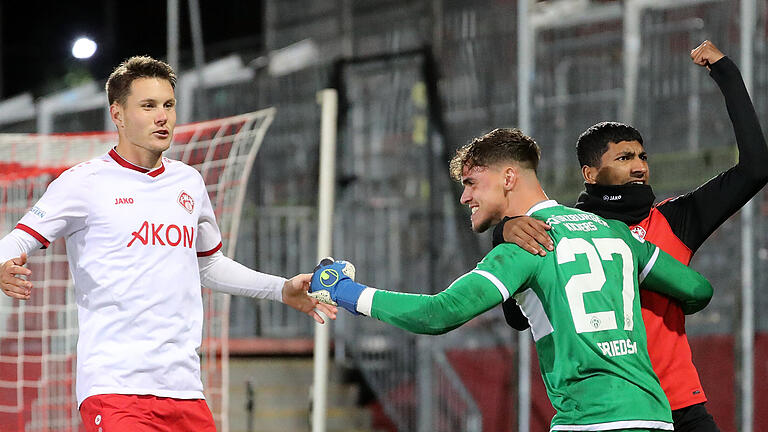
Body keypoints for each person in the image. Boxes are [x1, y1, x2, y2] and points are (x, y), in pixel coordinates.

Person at [0, 56, 336, 432]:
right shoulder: (83, 182)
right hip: (115, 390)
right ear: (118, 114)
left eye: (168, 105)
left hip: (185, 391)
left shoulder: (189, 183)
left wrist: (280, 289)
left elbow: (208, 265)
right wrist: (4, 264)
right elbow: (15, 240)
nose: (163, 116)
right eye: (148, 106)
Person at [309, 127, 714, 431]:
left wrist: (341, 290)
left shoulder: (526, 245)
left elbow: (438, 313)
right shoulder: (614, 232)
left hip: (591, 420)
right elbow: (698, 290)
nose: (465, 197)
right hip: (655, 418)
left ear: (507, 178)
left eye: (471, 183)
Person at [496, 40, 768, 431]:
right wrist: (505, 232)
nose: (639, 166)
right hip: (609, 412)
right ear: (590, 175)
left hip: (679, 404)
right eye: (624, 158)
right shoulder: (562, 229)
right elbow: (517, 317)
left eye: (642, 156)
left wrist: (727, 73)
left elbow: (756, 168)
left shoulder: (674, 219)